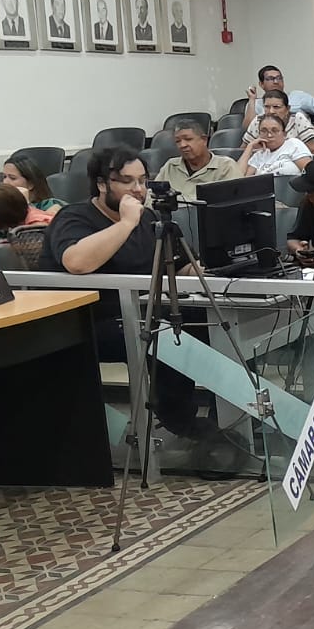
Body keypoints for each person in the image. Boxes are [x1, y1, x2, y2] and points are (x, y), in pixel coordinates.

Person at [39, 147, 201, 434]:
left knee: (204, 323)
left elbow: (178, 266)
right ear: (102, 184)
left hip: (138, 313)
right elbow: (77, 262)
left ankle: (223, 422)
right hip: (86, 322)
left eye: (142, 180)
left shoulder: (149, 218)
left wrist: (211, 267)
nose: (138, 189)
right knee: (165, 336)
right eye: (127, 181)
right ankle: (181, 425)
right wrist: (126, 223)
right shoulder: (74, 217)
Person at [154, 118, 242, 199]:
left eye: (188, 139)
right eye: (178, 141)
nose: (182, 145)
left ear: (204, 140)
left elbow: (235, 201)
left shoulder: (226, 167)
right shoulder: (170, 166)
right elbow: (152, 197)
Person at [241, 65, 314, 127]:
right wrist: (252, 100)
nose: (276, 82)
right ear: (261, 84)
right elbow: (247, 128)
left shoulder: (297, 96)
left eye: (279, 78)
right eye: (270, 79)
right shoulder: (255, 103)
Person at [240, 89, 314, 152]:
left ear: (287, 109)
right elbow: (243, 149)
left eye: (276, 107)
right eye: (267, 107)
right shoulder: (258, 121)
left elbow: (313, 149)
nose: (271, 111)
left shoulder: (298, 119)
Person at [241, 114, 312, 177]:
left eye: (275, 130)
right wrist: (249, 147)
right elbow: (238, 178)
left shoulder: (293, 144)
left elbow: (310, 173)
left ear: (284, 134)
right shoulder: (259, 155)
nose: (269, 135)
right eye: (264, 131)